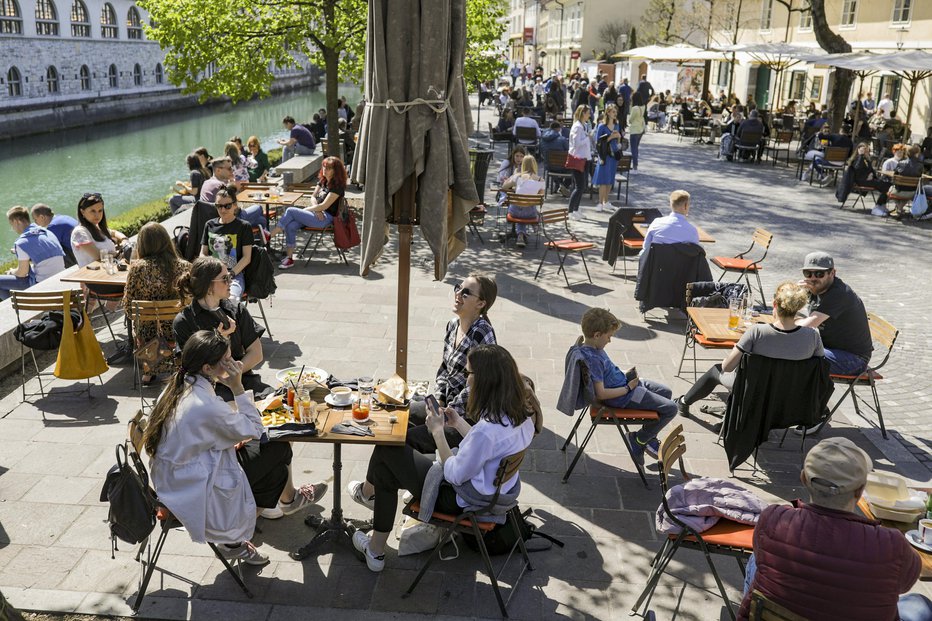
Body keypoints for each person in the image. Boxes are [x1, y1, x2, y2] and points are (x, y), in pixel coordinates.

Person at [350, 344, 535, 573]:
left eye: (469, 374)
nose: (466, 379)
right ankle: (375, 545)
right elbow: (488, 449)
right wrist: (457, 423)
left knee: (388, 449)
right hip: (493, 494)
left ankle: (375, 537)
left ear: (484, 380)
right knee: (388, 462)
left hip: (462, 500)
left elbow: (454, 474)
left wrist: (438, 431)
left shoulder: (487, 431)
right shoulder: (522, 417)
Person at [144, 331, 326, 562]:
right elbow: (255, 429)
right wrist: (237, 387)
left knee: (275, 465)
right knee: (277, 449)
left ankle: (271, 511)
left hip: (176, 476)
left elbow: (210, 429)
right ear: (207, 368)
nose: (234, 364)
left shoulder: (180, 386)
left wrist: (227, 436)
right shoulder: (204, 403)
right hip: (192, 486)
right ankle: (237, 537)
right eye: (227, 360)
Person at [347, 274, 499, 511]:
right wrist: (437, 398)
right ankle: (379, 489)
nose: (458, 294)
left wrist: (445, 414)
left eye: (466, 292)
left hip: (463, 420)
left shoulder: (483, 334)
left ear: (481, 304)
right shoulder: (452, 325)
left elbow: (477, 386)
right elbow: (443, 370)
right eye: (458, 287)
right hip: (443, 407)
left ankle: (370, 491)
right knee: (398, 414)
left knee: (397, 439)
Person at [737, 437, 931, 621]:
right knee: (919, 604)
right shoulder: (891, 544)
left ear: (804, 478)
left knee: (757, 558)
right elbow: (906, 582)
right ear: (860, 490)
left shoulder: (773, 520)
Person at [676, 282, 824, 429]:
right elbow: (818, 367)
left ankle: (683, 402)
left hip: (753, 389)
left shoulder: (757, 332)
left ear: (774, 304)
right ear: (798, 308)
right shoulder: (813, 336)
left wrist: (730, 356)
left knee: (717, 369)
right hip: (789, 394)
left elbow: (727, 368)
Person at [579, 308, 678, 464]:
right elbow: (601, 394)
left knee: (666, 392)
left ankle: (649, 436)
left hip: (626, 384)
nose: (610, 341)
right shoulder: (594, 359)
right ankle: (638, 440)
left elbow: (607, 374)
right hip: (624, 396)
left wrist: (625, 376)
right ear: (597, 335)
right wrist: (628, 388)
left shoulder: (594, 348)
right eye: (609, 336)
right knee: (672, 408)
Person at [173, 256, 269, 401]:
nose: (230, 282)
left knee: (279, 401)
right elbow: (192, 369)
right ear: (209, 286)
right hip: (208, 389)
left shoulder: (236, 310)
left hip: (243, 380)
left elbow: (256, 353)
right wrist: (220, 339)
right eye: (225, 278)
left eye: (230, 276)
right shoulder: (185, 321)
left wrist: (234, 374)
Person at [121, 222, 191, 383]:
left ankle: (149, 369)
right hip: (179, 328)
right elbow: (192, 300)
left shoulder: (138, 268)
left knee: (143, 323)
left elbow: (128, 305)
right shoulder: (185, 266)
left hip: (148, 332)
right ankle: (178, 366)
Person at [796, 252, 872, 377]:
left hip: (854, 360)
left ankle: (806, 396)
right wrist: (795, 294)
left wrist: (786, 323)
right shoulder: (816, 288)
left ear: (832, 273)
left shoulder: (839, 294)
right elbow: (790, 313)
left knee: (795, 354)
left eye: (819, 273)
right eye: (808, 273)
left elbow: (806, 326)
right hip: (832, 350)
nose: (813, 278)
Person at [269, 156, 347, 270]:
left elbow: (325, 205)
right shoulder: (323, 181)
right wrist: (317, 208)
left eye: (329, 168)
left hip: (326, 219)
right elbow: (313, 196)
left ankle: (269, 236)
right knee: (290, 226)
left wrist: (308, 209)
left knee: (291, 211)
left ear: (336, 171)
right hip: (316, 213)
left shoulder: (337, 187)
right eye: (324, 167)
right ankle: (289, 259)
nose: (325, 170)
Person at [200, 185, 253, 300]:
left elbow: (246, 258)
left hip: (234, 275)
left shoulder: (243, 227)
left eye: (227, 206)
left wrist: (231, 274)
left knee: (231, 300)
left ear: (235, 205)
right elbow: (203, 254)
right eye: (219, 206)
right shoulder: (209, 225)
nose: (222, 210)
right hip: (212, 276)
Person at [0, 206, 65, 300]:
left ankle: (13, 309)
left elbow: (22, 273)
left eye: (11, 224)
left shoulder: (22, 242)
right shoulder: (46, 232)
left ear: (16, 221)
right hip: (59, 279)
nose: (13, 228)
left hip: (42, 286)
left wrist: (11, 271)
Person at [71, 192, 127, 269]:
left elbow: (114, 232)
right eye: (93, 211)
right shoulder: (79, 232)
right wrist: (119, 252)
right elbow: (99, 256)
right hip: (91, 276)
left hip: (109, 270)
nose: (97, 215)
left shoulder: (98, 228)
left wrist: (124, 240)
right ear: (82, 212)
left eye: (100, 211)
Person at [501, 155, 545, 248]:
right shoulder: (541, 180)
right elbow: (541, 199)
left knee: (520, 205)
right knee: (528, 205)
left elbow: (504, 186)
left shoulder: (518, 177)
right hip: (531, 214)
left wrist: (513, 177)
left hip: (514, 212)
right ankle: (534, 225)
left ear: (523, 164)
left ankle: (520, 235)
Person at [640, 190, 698, 257]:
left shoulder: (656, 222)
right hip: (681, 266)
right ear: (685, 206)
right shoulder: (692, 230)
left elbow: (646, 246)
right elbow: (695, 253)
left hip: (657, 265)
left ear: (671, 204)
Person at [592, 104, 622, 212]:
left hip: (613, 155)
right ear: (608, 112)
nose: (615, 114)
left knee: (610, 180)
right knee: (603, 180)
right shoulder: (602, 126)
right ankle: (600, 203)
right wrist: (611, 137)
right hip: (605, 155)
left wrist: (618, 138)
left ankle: (606, 201)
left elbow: (618, 141)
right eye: (613, 112)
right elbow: (598, 142)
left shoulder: (617, 125)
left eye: (615, 112)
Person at [30, 203, 77, 267]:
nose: (35, 222)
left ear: (42, 217)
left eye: (35, 219)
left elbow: (46, 249)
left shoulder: (53, 227)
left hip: (77, 258)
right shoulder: (62, 217)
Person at [567, 104, 592, 220]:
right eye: (588, 113)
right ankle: (571, 211)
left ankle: (576, 210)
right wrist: (587, 137)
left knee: (582, 187)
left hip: (583, 158)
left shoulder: (582, 126)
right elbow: (576, 144)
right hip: (577, 159)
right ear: (583, 113)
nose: (589, 115)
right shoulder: (577, 127)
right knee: (579, 187)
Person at [628, 92, 646, 173]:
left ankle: (635, 167)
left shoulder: (634, 108)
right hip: (640, 129)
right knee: (636, 148)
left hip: (634, 130)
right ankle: (635, 166)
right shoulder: (643, 107)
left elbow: (631, 119)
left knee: (633, 149)